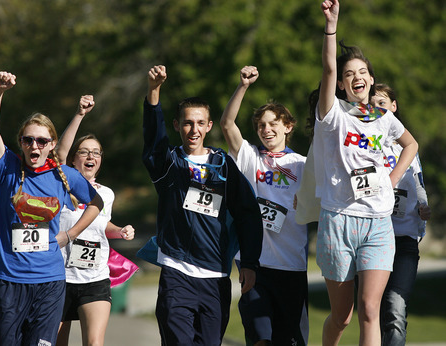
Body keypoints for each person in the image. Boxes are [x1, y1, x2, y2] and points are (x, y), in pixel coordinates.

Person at [313, 1, 419, 345]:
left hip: (377, 222)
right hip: (339, 221)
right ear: (342, 85)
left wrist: (392, 179)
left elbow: (411, 145)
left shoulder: (384, 118)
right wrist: (332, 27)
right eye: (349, 75)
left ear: (371, 80)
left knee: (370, 309)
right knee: (342, 318)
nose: (356, 78)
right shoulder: (333, 116)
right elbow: (328, 68)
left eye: (362, 72)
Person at [142, 65, 263, 345]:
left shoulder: (223, 165)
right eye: (187, 123)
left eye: (200, 123)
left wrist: (250, 262)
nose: (193, 130)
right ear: (177, 125)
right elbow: (153, 140)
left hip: (216, 277)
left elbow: (247, 213)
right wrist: (154, 92)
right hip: (177, 272)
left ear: (209, 126)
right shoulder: (169, 164)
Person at [0, 71, 104, 345]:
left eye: (41, 141)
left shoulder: (63, 175)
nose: (34, 146)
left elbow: (97, 203)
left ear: (51, 145)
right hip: (9, 282)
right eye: (28, 140)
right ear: (21, 143)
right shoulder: (8, 169)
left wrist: (69, 234)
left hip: (49, 283)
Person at [220, 65, 309, 346]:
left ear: (288, 126)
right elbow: (226, 124)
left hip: (292, 266)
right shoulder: (250, 158)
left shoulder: (303, 165)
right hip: (255, 265)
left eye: (273, 124)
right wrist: (243, 86)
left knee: (290, 340)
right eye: (261, 125)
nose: (266, 130)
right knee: (260, 338)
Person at [54, 95, 137, 346]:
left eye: (96, 153)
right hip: (59, 276)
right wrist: (79, 114)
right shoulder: (59, 184)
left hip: (95, 277)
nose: (91, 156)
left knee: (94, 343)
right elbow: (59, 154)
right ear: (73, 159)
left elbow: (102, 225)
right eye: (84, 152)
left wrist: (120, 230)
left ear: (100, 160)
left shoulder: (106, 194)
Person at [370, 83, 431, 346]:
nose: (377, 109)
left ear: (394, 107)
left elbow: (418, 184)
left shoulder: (408, 147)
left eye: (382, 104)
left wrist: (424, 205)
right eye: (372, 105)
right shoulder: (368, 143)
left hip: (404, 238)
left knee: (396, 306)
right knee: (373, 311)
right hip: (372, 237)